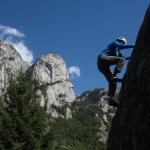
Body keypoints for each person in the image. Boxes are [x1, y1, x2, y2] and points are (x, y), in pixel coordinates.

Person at [97, 37, 134, 107]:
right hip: (102, 58)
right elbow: (121, 48)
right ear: (120, 41)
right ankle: (114, 76)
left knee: (112, 82)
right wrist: (134, 45)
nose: (122, 46)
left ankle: (110, 98)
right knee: (121, 60)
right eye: (122, 43)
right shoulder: (114, 43)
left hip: (102, 67)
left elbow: (124, 59)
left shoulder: (117, 52)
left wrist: (131, 57)